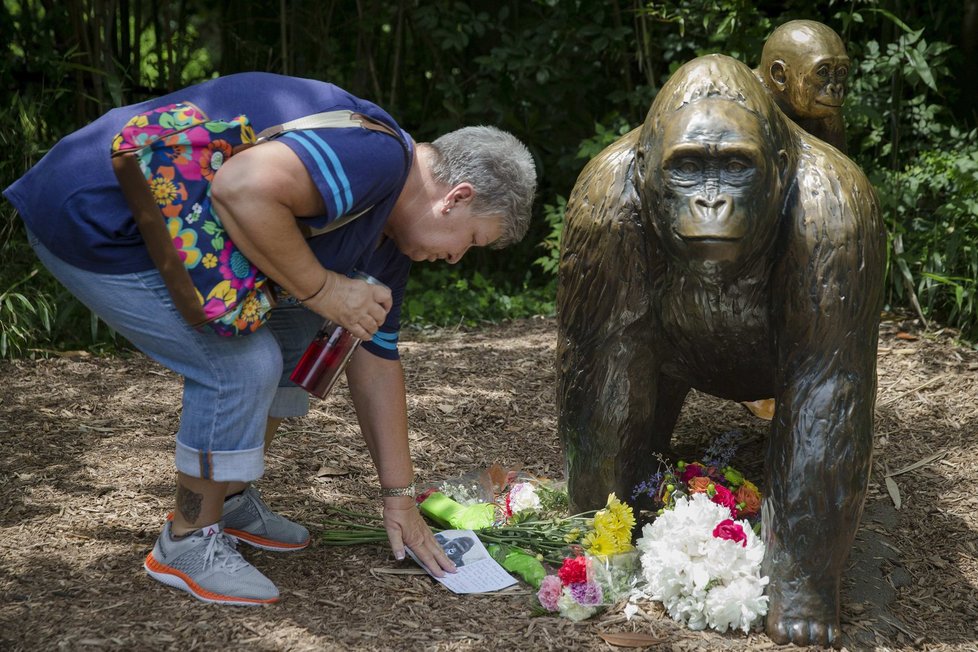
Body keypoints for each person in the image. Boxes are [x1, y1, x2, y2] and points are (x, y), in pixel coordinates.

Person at [3, 72, 537, 606]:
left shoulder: (390, 242)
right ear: (455, 197)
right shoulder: (375, 159)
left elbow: (374, 358)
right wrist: (324, 287)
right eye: (470, 240)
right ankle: (186, 541)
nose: (455, 258)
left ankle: (228, 500)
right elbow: (241, 187)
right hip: (94, 218)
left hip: (159, 232)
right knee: (241, 364)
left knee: (307, 332)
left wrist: (398, 499)